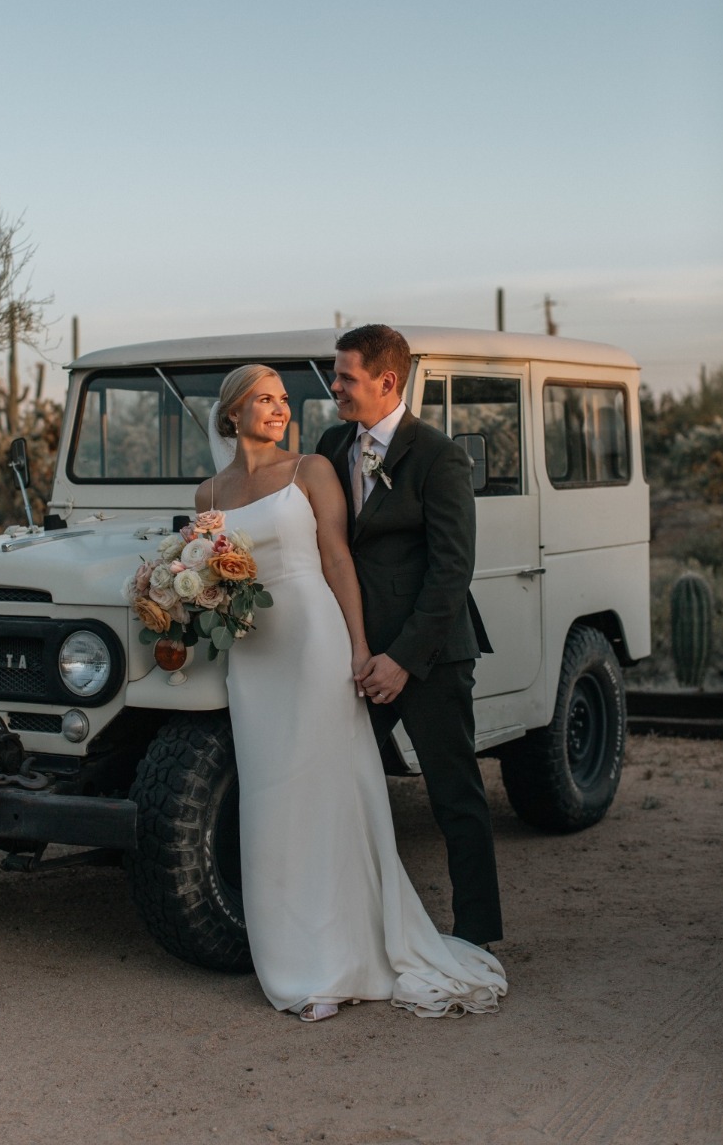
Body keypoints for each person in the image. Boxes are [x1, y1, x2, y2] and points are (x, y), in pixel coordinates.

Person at [195, 363, 506, 1022]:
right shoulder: (224, 486)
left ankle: (459, 933)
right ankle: (293, 951)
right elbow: (212, 570)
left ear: (385, 379)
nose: (286, 407)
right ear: (232, 413)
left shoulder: (327, 466)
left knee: (383, 788)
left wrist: (363, 649)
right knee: (275, 796)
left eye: (287, 398)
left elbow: (349, 558)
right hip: (256, 654)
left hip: (329, 640)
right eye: (266, 399)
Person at [315, 324, 503, 950]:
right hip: (354, 656)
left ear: (386, 380)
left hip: (429, 658)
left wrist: (402, 660)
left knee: (454, 796)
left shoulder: (439, 455)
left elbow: (453, 571)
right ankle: (348, 927)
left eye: (345, 376)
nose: (334, 385)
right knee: (343, 791)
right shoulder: (331, 443)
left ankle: (477, 932)